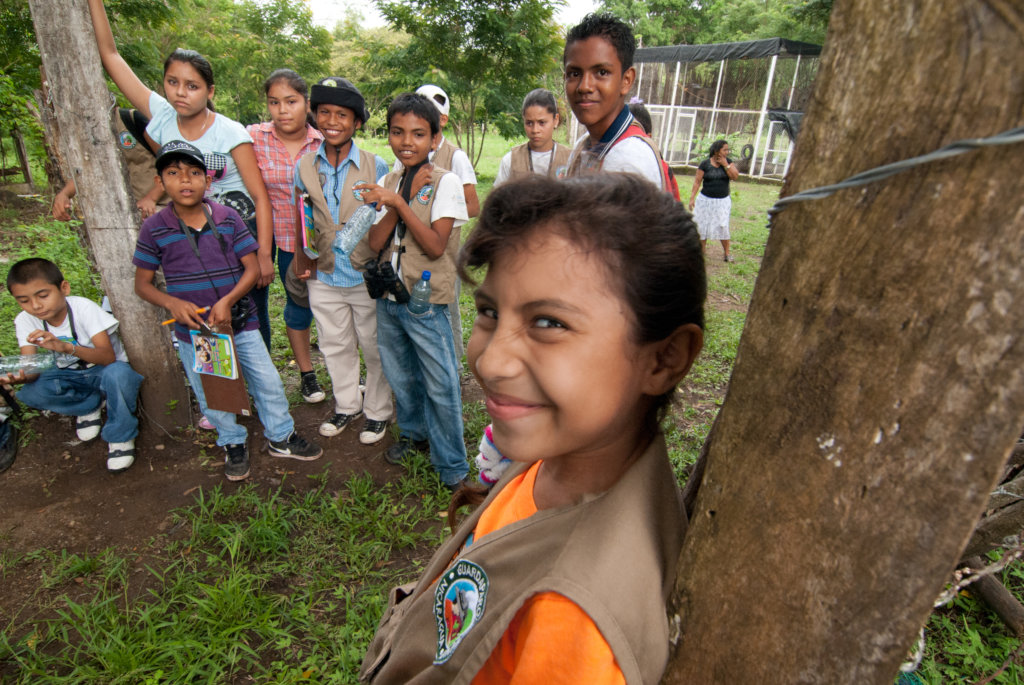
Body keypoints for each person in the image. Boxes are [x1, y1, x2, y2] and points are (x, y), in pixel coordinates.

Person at [359, 173, 705, 683]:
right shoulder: (563, 451)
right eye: (488, 311)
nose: (492, 361)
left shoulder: (573, 619)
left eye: (548, 323)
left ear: (664, 358)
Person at [88, 0, 275, 351]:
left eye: (192, 86)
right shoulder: (160, 116)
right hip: (193, 232)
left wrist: (264, 253)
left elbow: (260, 197)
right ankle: (221, 389)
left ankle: (254, 385)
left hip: (242, 233)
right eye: (172, 82)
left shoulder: (229, 132)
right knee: (206, 310)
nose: (180, 92)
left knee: (248, 315)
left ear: (209, 91)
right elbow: (110, 56)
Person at [133, 141, 322, 481]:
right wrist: (173, 303)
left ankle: (281, 436)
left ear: (208, 180)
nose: (185, 180)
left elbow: (252, 270)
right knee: (214, 388)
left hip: (241, 322)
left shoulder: (227, 216)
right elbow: (142, 284)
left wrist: (228, 301)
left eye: (194, 173)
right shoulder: (154, 228)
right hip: (199, 331)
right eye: (173, 173)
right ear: (160, 182)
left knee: (267, 381)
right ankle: (232, 441)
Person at [352, 93, 469, 490]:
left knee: (440, 380)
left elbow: (436, 246)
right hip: (389, 296)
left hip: (426, 301)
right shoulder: (387, 180)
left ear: (435, 138)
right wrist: (393, 198)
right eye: (398, 132)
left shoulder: (445, 182)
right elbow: (374, 240)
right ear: (387, 135)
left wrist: (400, 203)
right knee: (401, 374)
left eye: (419, 134)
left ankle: (453, 466)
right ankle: (416, 436)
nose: (407, 141)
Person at [292, 77, 393, 445]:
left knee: (373, 344)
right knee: (334, 343)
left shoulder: (375, 164)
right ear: (315, 116)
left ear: (358, 122)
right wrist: (303, 260)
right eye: (324, 112)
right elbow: (300, 216)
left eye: (342, 115)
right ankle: (347, 405)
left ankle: (378, 412)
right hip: (324, 274)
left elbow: (385, 221)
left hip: (363, 274)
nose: (332, 120)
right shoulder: (304, 166)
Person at [3, 258, 143, 472]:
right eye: (24, 300)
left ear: (64, 288)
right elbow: (30, 367)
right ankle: (89, 405)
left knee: (120, 375)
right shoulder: (25, 320)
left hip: (103, 370)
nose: (36, 305)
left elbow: (107, 357)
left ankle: (120, 435)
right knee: (31, 394)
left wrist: (66, 347)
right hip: (68, 373)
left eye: (43, 296)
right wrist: (20, 376)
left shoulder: (84, 309)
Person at [246, 69, 326, 404]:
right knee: (298, 304)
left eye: (291, 101)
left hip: (322, 239)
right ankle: (307, 375)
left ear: (305, 103)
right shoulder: (252, 137)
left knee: (332, 305)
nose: (282, 110)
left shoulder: (324, 137)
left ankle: (341, 367)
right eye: (274, 102)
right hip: (280, 238)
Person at [563, 13, 679, 200]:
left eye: (601, 72)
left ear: (626, 80)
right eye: (574, 73)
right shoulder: (585, 144)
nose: (584, 86)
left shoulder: (629, 160)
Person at [409, 84, 479, 363]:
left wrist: (438, 211)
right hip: (411, 250)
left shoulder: (455, 157)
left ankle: (452, 368)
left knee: (447, 310)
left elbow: (472, 205)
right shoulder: (406, 154)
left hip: (444, 252)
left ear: (444, 120)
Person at [52, 106, 167, 221]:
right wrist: (64, 194)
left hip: (162, 208)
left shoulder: (131, 120)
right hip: (123, 214)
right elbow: (89, 169)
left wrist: (152, 197)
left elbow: (174, 161)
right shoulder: (87, 131)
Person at [493, 88, 571, 187]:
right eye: (529, 123)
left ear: (555, 120)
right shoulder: (511, 160)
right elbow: (499, 199)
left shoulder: (571, 160)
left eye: (542, 123)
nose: (535, 130)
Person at [689, 139, 739, 262]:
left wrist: (725, 164)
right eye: (725, 150)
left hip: (722, 201)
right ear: (717, 151)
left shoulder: (729, 163)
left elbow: (735, 176)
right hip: (705, 200)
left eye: (728, 150)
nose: (727, 152)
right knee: (702, 225)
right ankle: (701, 252)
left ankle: (727, 254)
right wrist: (692, 198)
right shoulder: (705, 164)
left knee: (723, 225)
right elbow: (697, 182)